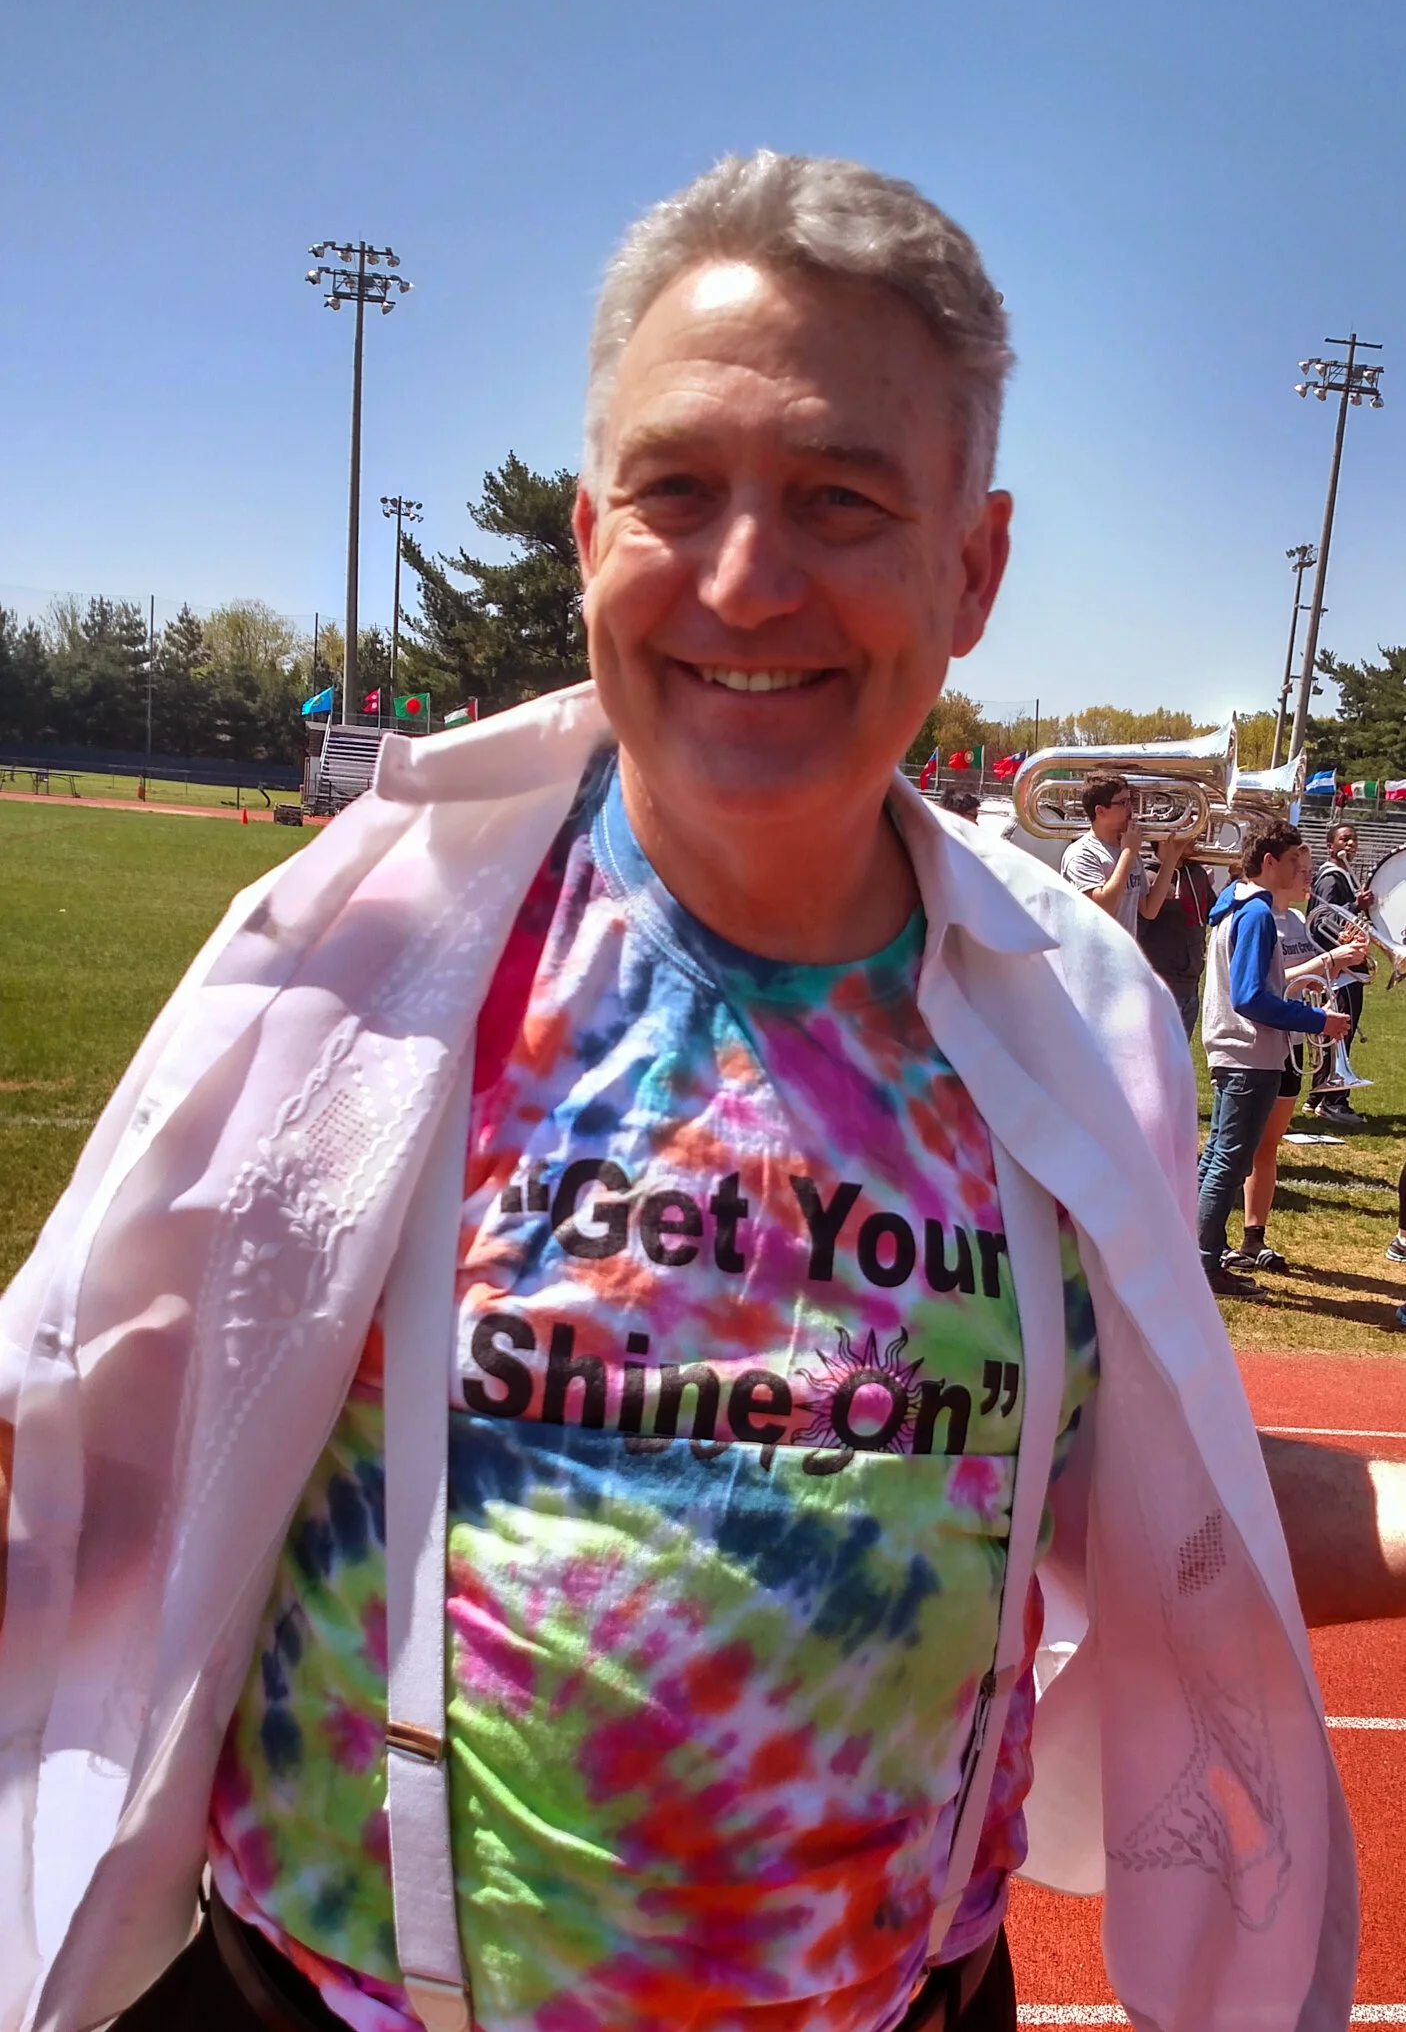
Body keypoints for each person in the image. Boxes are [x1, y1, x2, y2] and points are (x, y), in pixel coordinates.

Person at [0, 153, 1356, 2032]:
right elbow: (76, 1441)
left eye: (839, 500)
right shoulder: (354, 968)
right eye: (676, 491)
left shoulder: (1071, 1024)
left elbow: (1155, 1487)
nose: (743, 579)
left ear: (973, 568)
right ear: (588, 536)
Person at [1197, 822, 1350, 1297]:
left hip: (1233, 1049)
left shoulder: (1235, 903)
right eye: (1292, 862)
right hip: (1249, 1053)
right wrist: (1316, 1020)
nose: (1299, 871)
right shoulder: (1258, 914)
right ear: (1269, 862)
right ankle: (1203, 1262)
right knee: (1229, 1162)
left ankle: (1193, 1250)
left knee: (1218, 1157)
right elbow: (1249, 997)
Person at [1224, 843, 1367, 1276]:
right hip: (1257, 1044)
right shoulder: (1258, 917)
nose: (1308, 877)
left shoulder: (1297, 921)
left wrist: (1342, 962)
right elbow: (1270, 985)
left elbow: (1307, 980)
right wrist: (1328, 959)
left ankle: (1254, 1237)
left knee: (1268, 1145)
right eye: (1300, 869)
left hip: (1291, 1043)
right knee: (1237, 1148)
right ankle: (1212, 1240)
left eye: (1307, 869)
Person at [1058, 773, 1186, 936]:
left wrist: (1171, 859)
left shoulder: (1127, 848)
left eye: (1129, 801)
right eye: (1123, 802)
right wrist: (1128, 853)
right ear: (1100, 811)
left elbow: (1149, 909)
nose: (1130, 809)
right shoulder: (1081, 853)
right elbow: (1101, 910)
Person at [1307, 819, 1372, 1123]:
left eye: (1353, 839)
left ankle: (1318, 1096)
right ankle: (1334, 1101)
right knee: (1340, 1032)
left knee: (1332, 1032)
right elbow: (1322, 923)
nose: (1350, 843)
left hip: (1340, 968)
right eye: (1344, 839)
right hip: (1339, 969)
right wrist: (1356, 906)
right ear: (1330, 846)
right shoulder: (1332, 878)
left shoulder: (1342, 876)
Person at [1136, 851, 1213, 1039]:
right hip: (1160, 990)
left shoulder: (1196, 873)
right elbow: (1136, 931)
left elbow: (1214, 913)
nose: (1197, 837)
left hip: (1191, 989)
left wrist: (1234, 878)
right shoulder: (1147, 876)